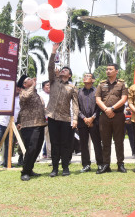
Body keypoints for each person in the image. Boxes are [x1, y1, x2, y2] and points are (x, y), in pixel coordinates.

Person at [45, 43, 79, 177]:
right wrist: (54, 51)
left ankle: (65, 167)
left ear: (69, 75)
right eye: (62, 69)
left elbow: (75, 104)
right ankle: (54, 169)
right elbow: (50, 67)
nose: (63, 70)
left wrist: (75, 119)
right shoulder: (53, 81)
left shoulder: (72, 88)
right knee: (54, 144)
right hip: (52, 117)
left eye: (66, 70)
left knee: (66, 144)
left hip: (65, 119)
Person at [95, 63, 128, 173]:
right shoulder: (101, 85)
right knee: (105, 141)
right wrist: (106, 110)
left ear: (116, 71)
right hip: (104, 116)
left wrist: (112, 108)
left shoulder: (122, 84)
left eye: (110, 69)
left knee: (119, 140)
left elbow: (123, 99)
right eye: (107, 69)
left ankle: (120, 164)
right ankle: (106, 164)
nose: (108, 71)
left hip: (118, 115)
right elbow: (98, 99)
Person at [17, 74, 47, 181]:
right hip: (29, 125)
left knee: (37, 148)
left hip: (40, 124)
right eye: (29, 79)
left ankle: (30, 169)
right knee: (31, 147)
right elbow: (26, 97)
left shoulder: (37, 94)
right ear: (24, 84)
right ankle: (25, 171)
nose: (31, 79)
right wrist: (33, 85)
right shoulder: (23, 93)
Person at [0, 87, 21, 171]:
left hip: (12, 124)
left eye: (19, 88)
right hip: (1, 123)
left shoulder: (20, 99)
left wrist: (19, 122)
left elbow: (20, 112)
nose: (18, 89)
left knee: (9, 145)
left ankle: (7, 163)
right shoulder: (6, 96)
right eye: (16, 87)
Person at [76, 73, 103, 173]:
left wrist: (92, 118)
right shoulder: (78, 92)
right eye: (85, 76)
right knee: (83, 144)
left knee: (97, 143)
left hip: (95, 121)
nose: (86, 78)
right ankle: (86, 164)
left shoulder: (97, 91)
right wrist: (84, 118)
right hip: (82, 122)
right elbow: (76, 107)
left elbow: (99, 107)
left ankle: (100, 164)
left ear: (93, 80)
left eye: (89, 76)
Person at [40, 80, 51, 159]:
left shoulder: (53, 95)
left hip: (51, 119)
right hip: (41, 119)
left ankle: (50, 155)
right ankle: (36, 156)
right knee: (39, 138)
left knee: (49, 138)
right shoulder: (39, 95)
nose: (49, 87)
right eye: (47, 85)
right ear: (43, 87)